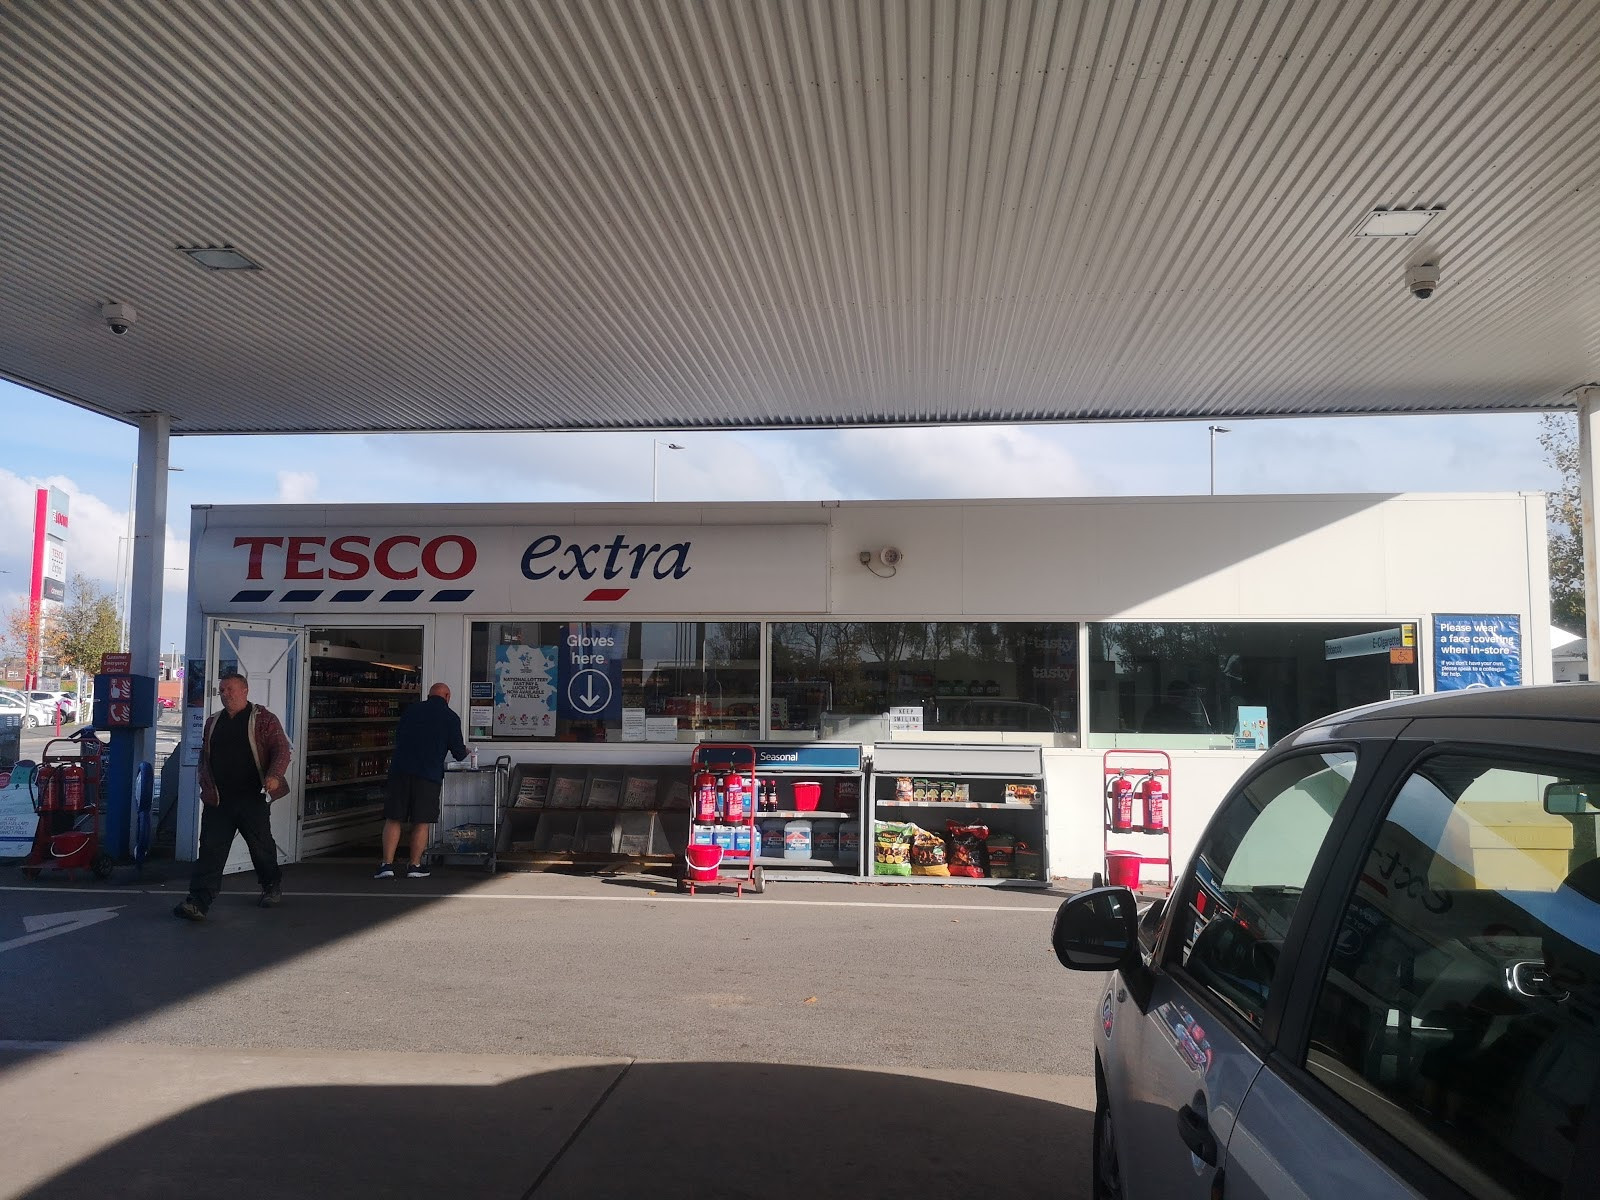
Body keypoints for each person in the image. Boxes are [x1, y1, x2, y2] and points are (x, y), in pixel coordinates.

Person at [174, 672, 292, 921]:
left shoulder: (264, 719)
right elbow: (205, 755)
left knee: (261, 847)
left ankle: (271, 885)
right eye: (222, 690)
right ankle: (198, 902)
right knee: (210, 850)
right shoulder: (213, 721)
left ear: (245, 690)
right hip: (219, 800)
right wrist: (203, 778)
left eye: (230, 689)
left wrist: (274, 775)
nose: (225, 694)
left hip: (253, 798)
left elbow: (281, 749)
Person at [376, 682, 467, 880]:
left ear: (429, 695)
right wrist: (466, 751)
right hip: (428, 775)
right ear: (447, 696)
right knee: (421, 821)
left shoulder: (410, 711)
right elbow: (458, 753)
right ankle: (414, 866)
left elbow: (398, 736)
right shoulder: (451, 718)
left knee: (393, 818)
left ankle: (386, 865)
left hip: (400, 771)